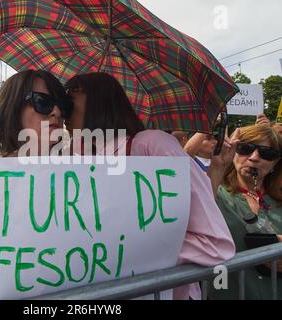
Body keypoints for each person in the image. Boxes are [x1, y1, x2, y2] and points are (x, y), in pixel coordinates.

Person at [64, 72, 236, 300]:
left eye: (68, 100)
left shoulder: (152, 145)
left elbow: (214, 242)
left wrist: (125, 253)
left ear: (97, 101)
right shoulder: (75, 158)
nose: (60, 111)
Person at [208, 124, 282, 299]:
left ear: (275, 163)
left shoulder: (278, 198)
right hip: (230, 292)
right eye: (245, 149)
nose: (254, 157)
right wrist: (217, 167)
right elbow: (196, 210)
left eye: (266, 153)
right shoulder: (217, 193)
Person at [0, 70, 72, 158]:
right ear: (12, 107)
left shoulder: (76, 166)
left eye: (63, 105)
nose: (57, 112)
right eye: (42, 101)